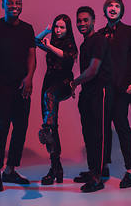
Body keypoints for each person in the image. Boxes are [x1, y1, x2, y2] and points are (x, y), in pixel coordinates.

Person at [0, 0, 36, 192]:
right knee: (2, 126)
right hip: (1, 85)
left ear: (22, 4)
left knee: (21, 128)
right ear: (3, 5)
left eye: (18, 3)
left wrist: (29, 77)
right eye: (10, 3)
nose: (14, 6)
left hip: (22, 86)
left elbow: (31, 57)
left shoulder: (28, 29)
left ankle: (10, 170)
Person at [97, 0, 131, 188]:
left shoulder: (130, 31)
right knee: (103, 129)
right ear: (105, 10)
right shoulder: (99, 34)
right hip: (101, 90)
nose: (113, 9)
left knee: (122, 128)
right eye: (110, 5)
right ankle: (103, 166)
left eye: (117, 6)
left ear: (121, 11)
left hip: (121, 89)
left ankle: (130, 171)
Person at [71, 6, 113, 192]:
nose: (81, 23)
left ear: (94, 20)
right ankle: (92, 170)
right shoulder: (83, 44)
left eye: (85, 20)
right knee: (88, 133)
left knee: (99, 135)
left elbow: (93, 70)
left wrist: (73, 83)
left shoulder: (99, 41)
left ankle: (98, 178)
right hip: (87, 93)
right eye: (79, 20)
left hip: (100, 92)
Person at [35, 14, 78, 185]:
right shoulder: (52, 41)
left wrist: (50, 46)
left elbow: (68, 57)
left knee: (50, 98)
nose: (58, 30)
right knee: (53, 126)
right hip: (49, 82)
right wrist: (46, 31)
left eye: (62, 27)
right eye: (56, 27)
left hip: (64, 83)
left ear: (67, 30)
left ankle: (45, 128)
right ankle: (56, 168)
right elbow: (35, 41)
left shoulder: (69, 44)